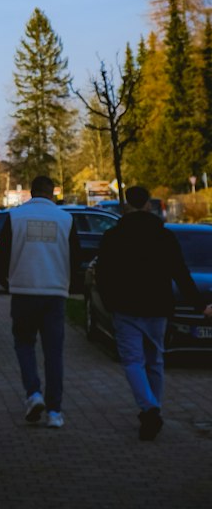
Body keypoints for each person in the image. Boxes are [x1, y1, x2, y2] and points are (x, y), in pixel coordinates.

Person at [93, 184, 212, 439]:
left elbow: (103, 274)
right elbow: (180, 273)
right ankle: (153, 406)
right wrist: (199, 305)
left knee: (133, 360)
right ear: (148, 204)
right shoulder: (164, 237)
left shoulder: (114, 237)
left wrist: (109, 301)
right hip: (157, 307)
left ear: (126, 205)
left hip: (125, 307)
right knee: (155, 359)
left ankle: (149, 408)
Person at [0, 176, 81, 430]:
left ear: (31, 193)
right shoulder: (66, 219)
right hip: (54, 291)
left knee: (24, 344)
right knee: (53, 352)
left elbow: (2, 254)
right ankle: (55, 412)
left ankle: (33, 393)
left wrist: (7, 280)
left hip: (23, 290)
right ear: (52, 193)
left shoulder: (15, 217)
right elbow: (75, 258)